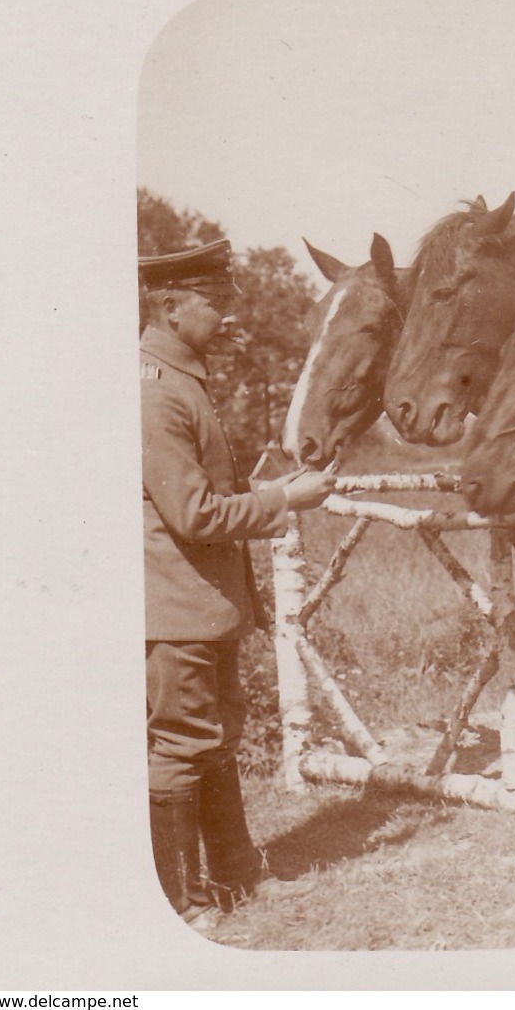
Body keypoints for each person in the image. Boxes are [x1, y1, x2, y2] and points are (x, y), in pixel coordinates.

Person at [141, 239, 335, 928]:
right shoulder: (154, 392)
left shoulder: (181, 381)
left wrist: (267, 490)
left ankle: (236, 876)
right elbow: (194, 515)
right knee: (181, 745)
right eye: (214, 302)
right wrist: (286, 499)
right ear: (170, 306)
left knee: (214, 737)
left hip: (201, 605)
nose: (225, 315)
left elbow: (203, 494)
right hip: (175, 607)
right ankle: (179, 903)